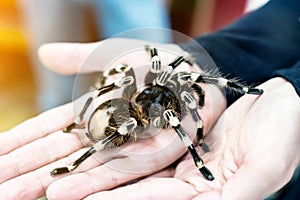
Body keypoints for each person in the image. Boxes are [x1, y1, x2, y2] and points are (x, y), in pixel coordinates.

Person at [0, 0, 299, 199]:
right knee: (133, 117)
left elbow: (188, 84)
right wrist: (212, 57)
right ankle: (77, 158)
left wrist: (289, 87)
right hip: (126, 118)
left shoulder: (165, 93)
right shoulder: (159, 107)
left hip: (126, 109)